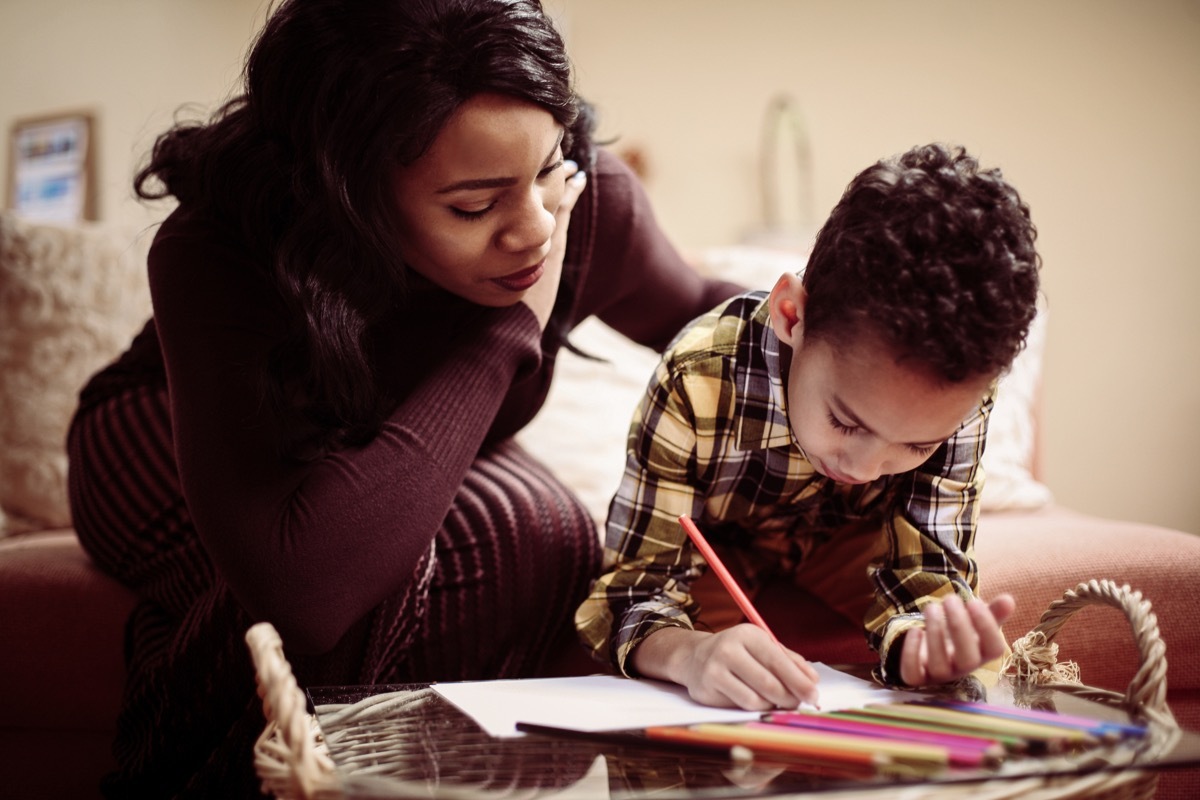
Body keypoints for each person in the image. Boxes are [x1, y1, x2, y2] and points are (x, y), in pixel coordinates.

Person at [65, 0, 742, 796]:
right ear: (345, 191)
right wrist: (506, 334)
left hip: (388, 452)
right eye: (474, 206)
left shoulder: (577, 202)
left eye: (547, 167)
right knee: (358, 575)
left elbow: (703, 312)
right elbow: (308, 593)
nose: (533, 230)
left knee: (542, 536)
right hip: (170, 432)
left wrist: (844, 337)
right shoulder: (222, 249)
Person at [576, 142, 1042, 711]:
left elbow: (927, 572)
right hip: (721, 550)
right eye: (846, 422)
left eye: (918, 444)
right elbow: (634, 590)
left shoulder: (961, 395)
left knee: (975, 667)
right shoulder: (696, 377)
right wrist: (689, 654)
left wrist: (922, 646)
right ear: (791, 314)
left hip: (855, 540)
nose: (863, 468)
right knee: (720, 695)